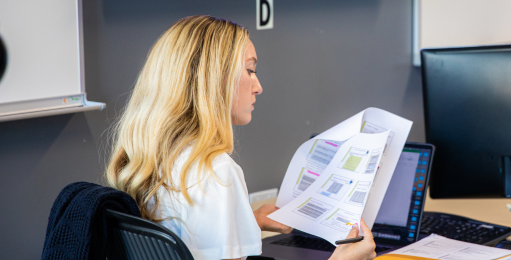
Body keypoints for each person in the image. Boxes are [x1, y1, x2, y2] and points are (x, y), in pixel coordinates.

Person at [105, 15, 376, 260]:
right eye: (249, 70)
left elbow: (186, 244)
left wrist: (247, 220)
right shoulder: (215, 172)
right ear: (214, 80)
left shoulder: (151, 159)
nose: (258, 87)